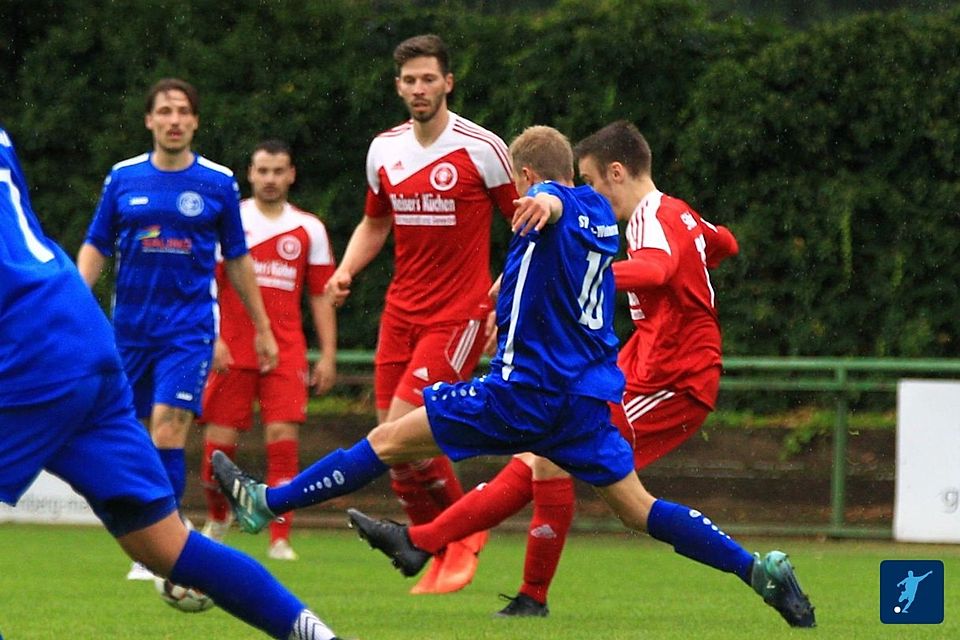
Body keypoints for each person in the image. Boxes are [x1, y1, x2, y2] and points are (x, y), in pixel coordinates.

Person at [212, 125, 816, 630]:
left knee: (388, 439)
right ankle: (754, 569)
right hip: (582, 403)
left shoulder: (555, 208)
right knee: (636, 507)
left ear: (525, 179)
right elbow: (595, 226)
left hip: (525, 394)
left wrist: (545, 202)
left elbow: (560, 208)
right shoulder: (603, 218)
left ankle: (268, 503)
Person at [0, 125, 340, 640]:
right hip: (80, 325)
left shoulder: (214, 186)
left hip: (28, 345)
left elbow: (237, 259)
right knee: (167, 546)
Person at [323, 33, 518, 592]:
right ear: (398, 87)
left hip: (458, 314)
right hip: (399, 312)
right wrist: (346, 270)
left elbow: (523, 229)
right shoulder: (384, 149)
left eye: (428, 78)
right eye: (409, 80)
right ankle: (431, 539)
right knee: (393, 441)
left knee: (398, 431)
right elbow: (375, 223)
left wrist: (501, 301)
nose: (418, 88)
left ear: (448, 83)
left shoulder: (483, 148)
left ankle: (460, 537)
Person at [75, 78, 279, 580]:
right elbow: (97, 245)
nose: (173, 120)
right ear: (149, 120)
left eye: (183, 112)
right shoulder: (122, 179)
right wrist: (77, 307)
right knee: (135, 433)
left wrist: (261, 327)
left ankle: (167, 541)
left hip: (188, 330)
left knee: (169, 424)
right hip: (129, 332)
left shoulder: (218, 182)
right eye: (164, 111)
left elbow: (236, 258)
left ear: (195, 121)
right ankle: (152, 537)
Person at [198, 140, 338, 561]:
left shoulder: (308, 228)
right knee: (218, 446)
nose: (271, 179)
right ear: (250, 174)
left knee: (282, 439)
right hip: (231, 348)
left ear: (291, 174)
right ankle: (219, 518)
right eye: (263, 171)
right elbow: (206, 285)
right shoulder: (230, 219)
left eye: (279, 171)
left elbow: (320, 295)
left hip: (286, 350)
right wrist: (215, 337)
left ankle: (280, 536)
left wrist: (327, 353)